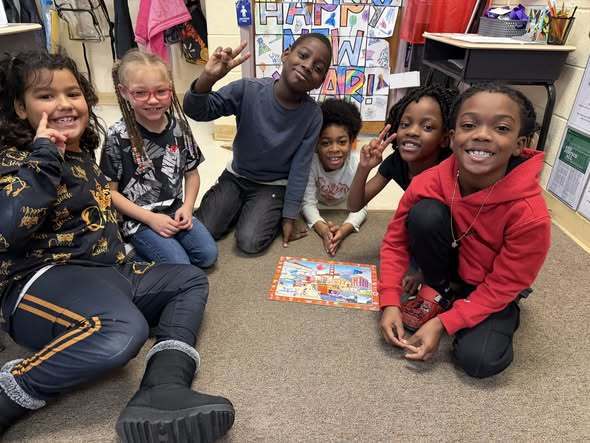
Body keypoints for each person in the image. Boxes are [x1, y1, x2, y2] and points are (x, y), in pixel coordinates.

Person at [0, 51, 234, 441]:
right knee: (124, 331)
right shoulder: (14, 158)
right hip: (39, 282)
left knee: (190, 279)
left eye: (72, 93)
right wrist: (44, 154)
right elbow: (7, 230)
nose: (63, 104)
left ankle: (163, 387)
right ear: (20, 108)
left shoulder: (82, 152)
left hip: (109, 271)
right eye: (45, 96)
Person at [378, 84, 551, 378]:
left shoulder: (530, 215)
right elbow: (395, 243)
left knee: (480, 361)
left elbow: (506, 282)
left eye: (501, 128)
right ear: (453, 136)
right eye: (469, 125)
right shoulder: (430, 180)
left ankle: (479, 308)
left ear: (520, 143)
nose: (482, 134)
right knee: (426, 214)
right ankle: (440, 289)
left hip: (491, 285)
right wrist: (390, 301)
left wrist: (443, 324)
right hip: (449, 267)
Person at [183, 33, 332, 254]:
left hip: (273, 185)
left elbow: (300, 169)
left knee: (250, 242)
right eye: (303, 55)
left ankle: (254, 210)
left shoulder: (313, 115)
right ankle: (236, 206)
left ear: (321, 80)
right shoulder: (248, 89)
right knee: (204, 229)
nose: (308, 66)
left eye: (318, 68)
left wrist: (289, 216)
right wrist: (208, 78)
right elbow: (196, 111)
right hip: (236, 176)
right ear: (285, 54)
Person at [100, 50, 217, 268]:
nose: (152, 100)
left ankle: (161, 245)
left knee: (208, 255)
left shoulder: (180, 127)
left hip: (174, 209)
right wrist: (151, 219)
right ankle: (130, 250)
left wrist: (188, 207)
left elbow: (192, 174)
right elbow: (109, 192)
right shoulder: (117, 135)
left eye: (161, 91)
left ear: (170, 89)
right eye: (141, 93)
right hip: (138, 220)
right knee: (180, 265)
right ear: (124, 92)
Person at [301, 98, 394, 256]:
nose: (334, 149)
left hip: (346, 204)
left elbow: (361, 206)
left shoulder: (357, 163)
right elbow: (307, 203)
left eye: (342, 142)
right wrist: (323, 229)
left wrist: (344, 229)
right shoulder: (311, 163)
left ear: (352, 141)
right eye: (325, 143)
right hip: (320, 206)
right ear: (316, 144)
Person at [348, 85, 457, 210]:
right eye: (405, 124)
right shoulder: (396, 162)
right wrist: (364, 168)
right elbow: (354, 206)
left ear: (444, 139)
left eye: (427, 127)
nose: (412, 132)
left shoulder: (452, 168)